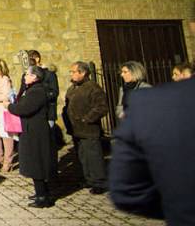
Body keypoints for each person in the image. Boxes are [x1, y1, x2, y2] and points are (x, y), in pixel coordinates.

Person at [109, 63, 195, 223]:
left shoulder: (150, 99)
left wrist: (178, 204)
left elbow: (126, 190)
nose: (122, 74)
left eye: (125, 71)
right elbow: (120, 105)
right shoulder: (132, 93)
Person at [6, 65, 56, 208]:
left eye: (27, 74)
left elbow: (24, 109)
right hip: (31, 130)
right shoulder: (32, 90)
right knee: (35, 163)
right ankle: (41, 192)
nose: (24, 77)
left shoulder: (37, 92)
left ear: (34, 77)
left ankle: (43, 197)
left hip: (36, 132)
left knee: (37, 164)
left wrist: (9, 106)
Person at [64, 61, 109, 194]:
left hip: (88, 129)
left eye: (73, 72)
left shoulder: (92, 87)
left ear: (82, 73)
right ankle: (88, 178)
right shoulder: (72, 88)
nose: (71, 74)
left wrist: (87, 119)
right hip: (76, 130)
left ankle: (99, 181)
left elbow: (101, 107)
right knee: (83, 156)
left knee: (93, 156)